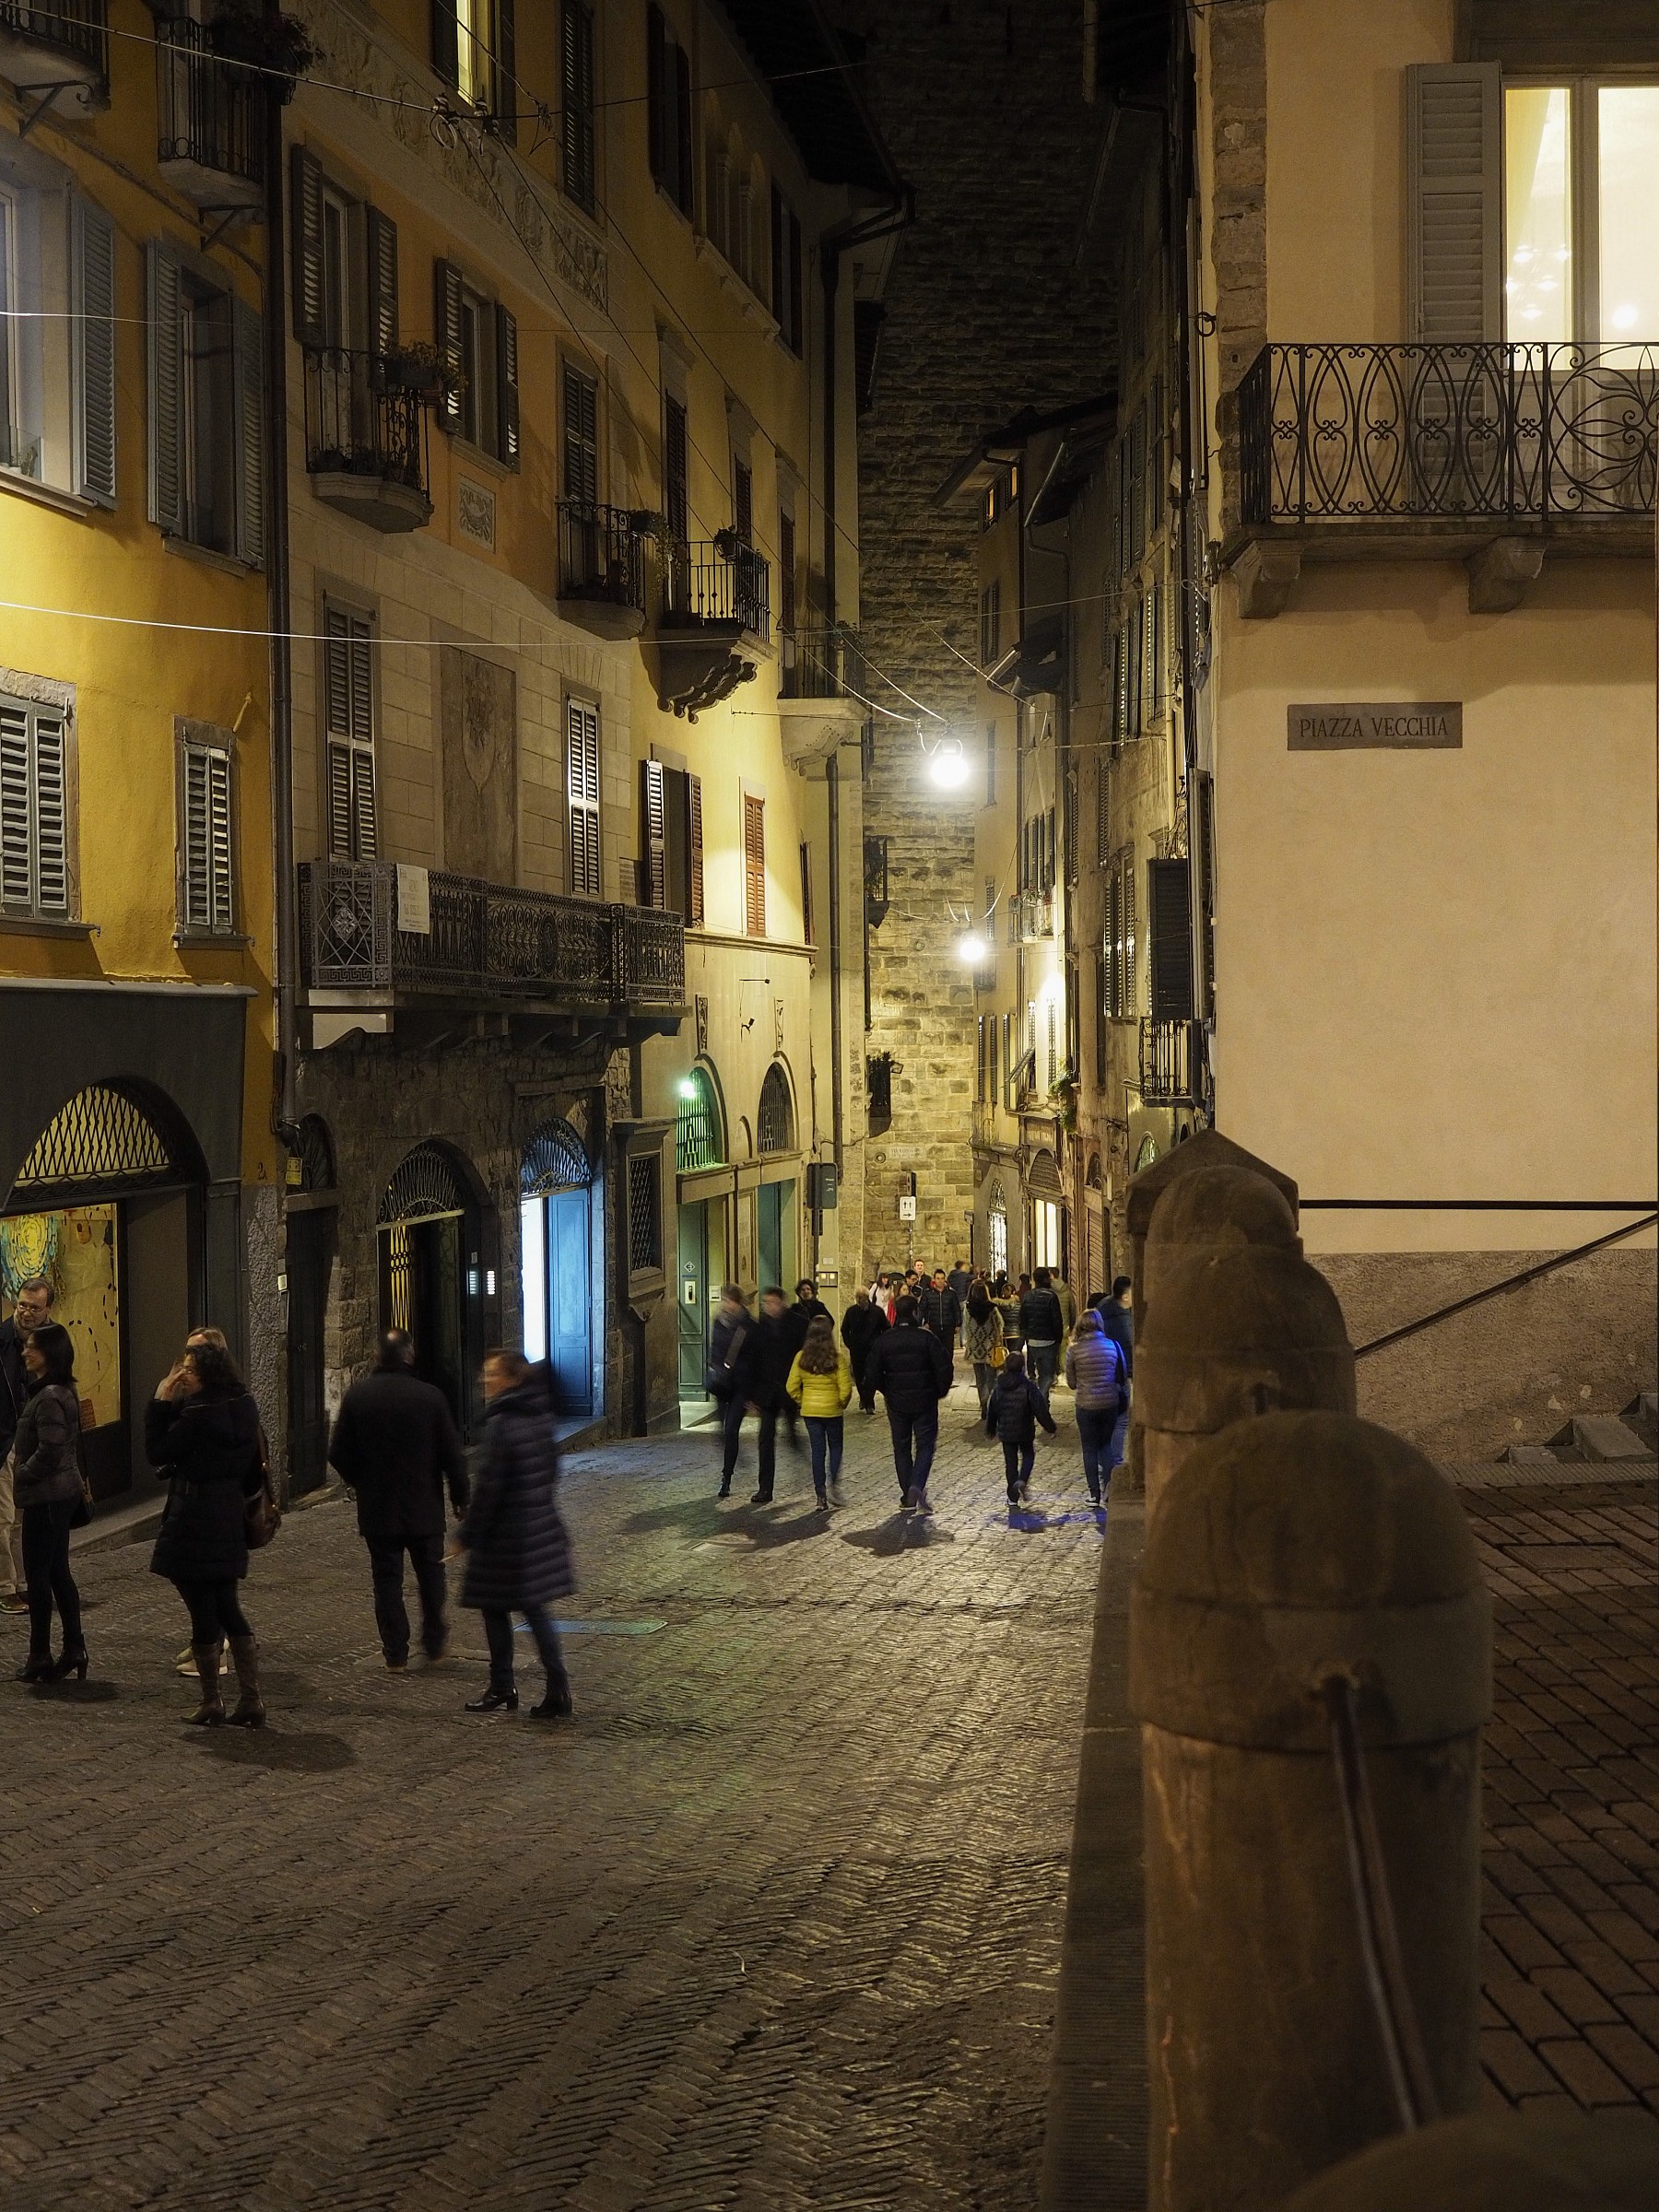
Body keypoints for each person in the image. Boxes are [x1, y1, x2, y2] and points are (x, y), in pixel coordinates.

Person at [328, 1329, 468, 1671]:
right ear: (409, 1355)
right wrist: (461, 1497)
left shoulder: (359, 1397)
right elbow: (453, 1454)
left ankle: (395, 1653)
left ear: (378, 1357)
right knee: (431, 1577)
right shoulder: (430, 1398)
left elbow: (337, 1452)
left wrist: (359, 1479)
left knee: (387, 1580)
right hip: (424, 1505)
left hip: (378, 1506)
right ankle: (434, 1640)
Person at [147, 1339, 267, 1725]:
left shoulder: (198, 1413)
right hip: (227, 1516)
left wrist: (161, 1400)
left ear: (208, 1375)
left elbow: (158, 1451)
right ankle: (250, 1699)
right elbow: (251, 1468)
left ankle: (212, 1701)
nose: (182, 1376)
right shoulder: (243, 1406)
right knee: (227, 1604)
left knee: (203, 1607)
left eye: (190, 1370)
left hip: (194, 1517)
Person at [453, 1347, 574, 1720]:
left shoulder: (503, 1425)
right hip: (537, 1529)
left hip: (507, 1539)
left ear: (511, 1379)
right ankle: (557, 1689)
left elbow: (489, 1488)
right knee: (535, 1610)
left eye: (491, 1374)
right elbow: (552, 1472)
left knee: (494, 1607)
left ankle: (503, 1685)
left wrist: (468, 1534)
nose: (483, 1381)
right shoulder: (541, 1418)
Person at [12, 1320, 88, 1683]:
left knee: (41, 1577)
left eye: (33, 1348)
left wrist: (21, 1472)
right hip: (57, 1495)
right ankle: (73, 1648)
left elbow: (51, 1449)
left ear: (50, 1355)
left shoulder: (50, 1397)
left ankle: (41, 1653)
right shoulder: (55, 1392)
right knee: (57, 1572)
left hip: (48, 1498)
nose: (26, 1352)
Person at [862, 1293, 953, 1512]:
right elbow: (944, 1367)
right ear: (915, 1313)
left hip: (897, 1402)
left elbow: (872, 1372)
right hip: (925, 1401)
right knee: (925, 1445)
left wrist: (885, 1390)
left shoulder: (885, 1340)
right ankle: (916, 1485)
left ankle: (907, 1493)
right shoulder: (927, 1338)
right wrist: (939, 1391)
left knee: (901, 1447)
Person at [0, 1276, 53, 1619]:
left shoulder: (53, 1341)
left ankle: (26, 1583)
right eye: (22, 1304)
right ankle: (6, 1587)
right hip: (4, 1441)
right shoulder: (1, 1338)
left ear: (47, 1309)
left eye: (34, 1307)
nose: (26, 1312)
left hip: (34, 1441)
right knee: (3, 1517)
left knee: (24, 1519)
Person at [1065, 1307, 1130, 1507]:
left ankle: (1094, 1494)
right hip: (1109, 1403)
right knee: (1105, 1446)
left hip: (1085, 1405)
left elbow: (1072, 1383)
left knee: (1089, 1449)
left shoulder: (1074, 1351)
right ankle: (1108, 1488)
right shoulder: (1113, 1346)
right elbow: (1123, 1374)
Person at [786, 1315, 853, 1509]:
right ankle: (834, 1484)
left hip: (810, 1412)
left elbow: (791, 1386)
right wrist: (841, 1403)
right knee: (836, 1447)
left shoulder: (801, 1357)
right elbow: (846, 1388)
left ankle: (820, 1496)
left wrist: (803, 1401)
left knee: (818, 1451)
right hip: (832, 1411)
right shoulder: (837, 1357)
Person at [747, 1287, 801, 1502]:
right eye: (766, 1303)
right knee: (765, 1439)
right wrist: (751, 1395)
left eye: (773, 1302)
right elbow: (752, 1361)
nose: (769, 1307)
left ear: (782, 1303)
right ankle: (765, 1488)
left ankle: (796, 1445)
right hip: (767, 1393)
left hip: (790, 1390)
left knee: (791, 1431)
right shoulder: (759, 1327)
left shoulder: (797, 1323)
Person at [984, 1347, 1057, 1506]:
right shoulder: (1028, 1387)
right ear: (1023, 1368)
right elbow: (1040, 1409)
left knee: (1010, 1463)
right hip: (1025, 1430)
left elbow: (992, 1410)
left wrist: (990, 1430)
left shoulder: (999, 1387)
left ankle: (1012, 1497)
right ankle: (1022, 1479)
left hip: (1006, 1432)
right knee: (1028, 1455)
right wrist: (1050, 1427)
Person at [707, 1286, 754, 1500]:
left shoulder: (748, 1326)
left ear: (739, 1302)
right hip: (721, 1385)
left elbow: (755, 1359)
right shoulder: (718, 1322)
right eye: (724, 1300)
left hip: (740, 1387)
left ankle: (726, 1478)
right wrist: (714, 1367)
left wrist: (752, 1394)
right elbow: (715, 1350)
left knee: (731, 1430)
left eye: (730, 1301)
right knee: (722, 1431)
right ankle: (731, 1459)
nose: (726, 1304)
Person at [1090, 1275, 1135, 1472]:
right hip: (1118, 1373)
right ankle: (1114, 1460)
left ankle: (1103, 1457)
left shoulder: (1102, 1307)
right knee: (1121, 1419)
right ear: (1125, 1297)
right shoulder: (1124, 1319)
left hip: (1099, 1369)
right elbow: (1128, 1347)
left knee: (1105, 1418)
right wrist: (1132, 1374)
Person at [1019, 1266, 1065, 1399]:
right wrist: (1058, 1339)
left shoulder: (1027, 1296)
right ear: (1046, 1279)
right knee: (1047, 1375)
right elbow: (1057, 1321)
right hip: (1049, 1341)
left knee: (1040, 1372)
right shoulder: (1051, 1297)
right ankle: (1042, 1400)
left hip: (1033, 1341)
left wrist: (1027, 1335)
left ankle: (1041, 1401)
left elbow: (1022, 1318)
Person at [841, 1288, 888, 1414]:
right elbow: (845, 1329)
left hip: (873, 1350)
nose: (862, 1301)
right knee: (858, 1375)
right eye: (859, 1298)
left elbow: (886, 1328)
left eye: (864, 1298)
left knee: (871, 1376)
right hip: (857, 1350)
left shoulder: (877, 1312)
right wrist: (850, 1344)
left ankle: (869, 1402)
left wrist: (880, 1344)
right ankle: (864, 1398)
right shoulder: (851, 1312)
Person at [962, 1282, 1006, 1415]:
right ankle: (988, 1401)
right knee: (991, 1378)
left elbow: (966, 1326)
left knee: (980, 1379)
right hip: (990, 1347)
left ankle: (983, 1404)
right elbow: (1000, 1325)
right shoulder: (992, 1309)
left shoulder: (967, 1308)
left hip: (975, 1348)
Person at [918, 1266, 962, 1350]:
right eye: (938, 1278)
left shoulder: (951, 1294)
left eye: (942, 1278)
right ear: (934, 1279)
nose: (940, 1280)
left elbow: (956, 1309)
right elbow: (922, 1309)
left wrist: (958, 1324)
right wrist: (924, 1323)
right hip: (933, 1326)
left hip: (948, 1326)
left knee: (948, 1349)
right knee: (935, 1349)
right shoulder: (927, 1293)